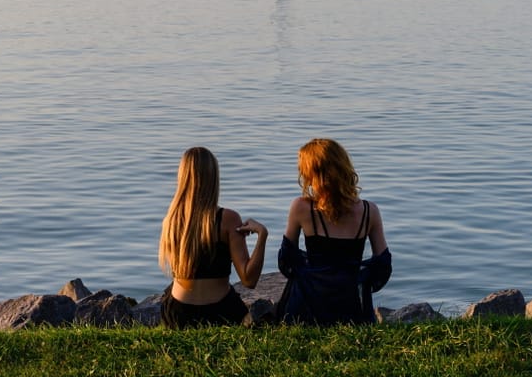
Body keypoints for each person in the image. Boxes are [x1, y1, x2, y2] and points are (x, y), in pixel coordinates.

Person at [277, 138, 391, 325]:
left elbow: (286, 261)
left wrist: (314, 270)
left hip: (309, 307)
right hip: (352, 307)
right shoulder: (370, 211)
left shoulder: (301, 207)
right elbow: (383, 266)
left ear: (311, 173)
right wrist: (358, 278)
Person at [158, 146, 268, 328]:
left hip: (178, 314)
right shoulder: (228, 219)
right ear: (213, 177)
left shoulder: (172, 220)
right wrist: (262, 235)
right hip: (219, 313)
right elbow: (249, 280)